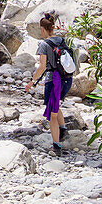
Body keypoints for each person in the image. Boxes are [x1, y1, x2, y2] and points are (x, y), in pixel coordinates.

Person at [26, 11, 76, 155]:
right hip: (66, 79)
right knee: (55, 105)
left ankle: (57, 146)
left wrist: (32, 81)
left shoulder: (44, 44)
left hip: (53, 81)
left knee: (52, 114)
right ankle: (64, 130)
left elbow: (42, 66)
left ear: (42, 29)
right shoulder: (61, 40)